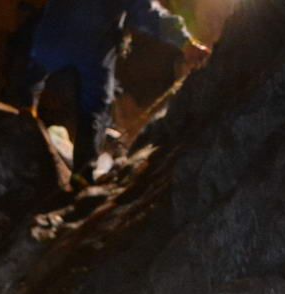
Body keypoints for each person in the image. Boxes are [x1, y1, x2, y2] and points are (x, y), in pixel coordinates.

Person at [26, 0, 209, 179]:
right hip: (93, 45)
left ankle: (24, 112)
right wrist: (185, 43)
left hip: (50, 37)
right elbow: (148, 14)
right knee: (95, 108)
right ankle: (82, 173)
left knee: (34, 73)